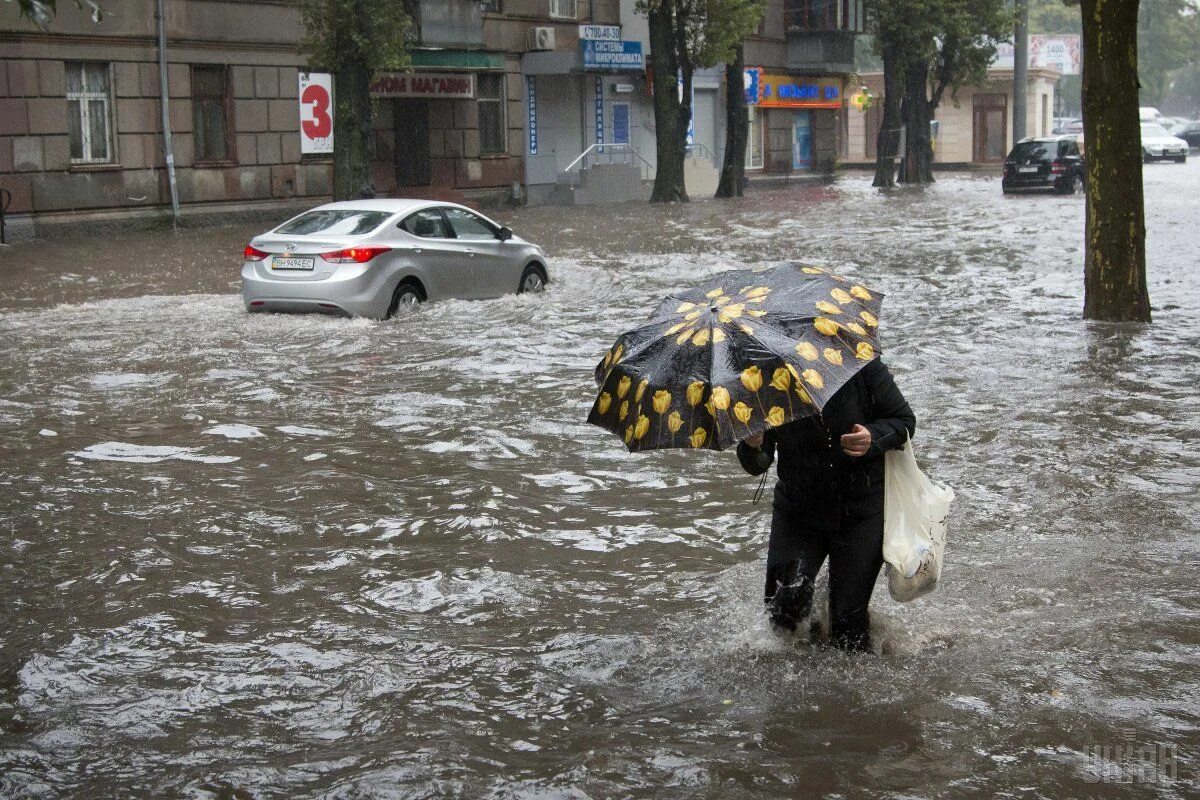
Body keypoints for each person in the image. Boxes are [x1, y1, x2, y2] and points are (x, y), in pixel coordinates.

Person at [737, 357, 915, 652]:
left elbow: (904, 421)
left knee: (848, 627)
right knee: (782, 613)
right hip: (798, 510)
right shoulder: (760, 378)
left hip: (861, 509)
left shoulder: (859, 362)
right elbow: (757, 464)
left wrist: (873, 438)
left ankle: (852, 693)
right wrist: (754, 442)